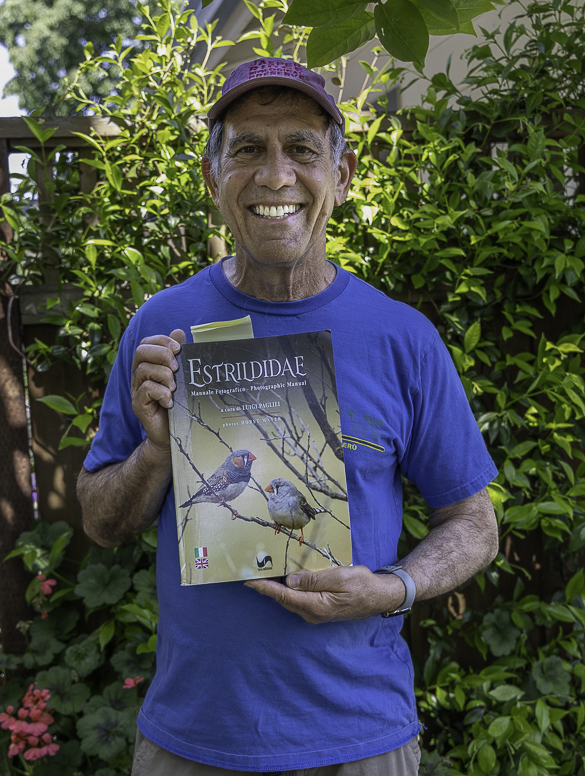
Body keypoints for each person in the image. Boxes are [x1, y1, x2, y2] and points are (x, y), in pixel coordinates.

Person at [77, 58, 499, 776]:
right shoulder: (162, 328)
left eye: (301, 148)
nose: (276, 176)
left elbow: (474, 523)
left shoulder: (402, 337)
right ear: (212, 178)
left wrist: (391, 588)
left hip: (362, 741)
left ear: (342, 175)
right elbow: (100, 523)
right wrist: (157, 452)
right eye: (248, 149)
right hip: (193, 741)